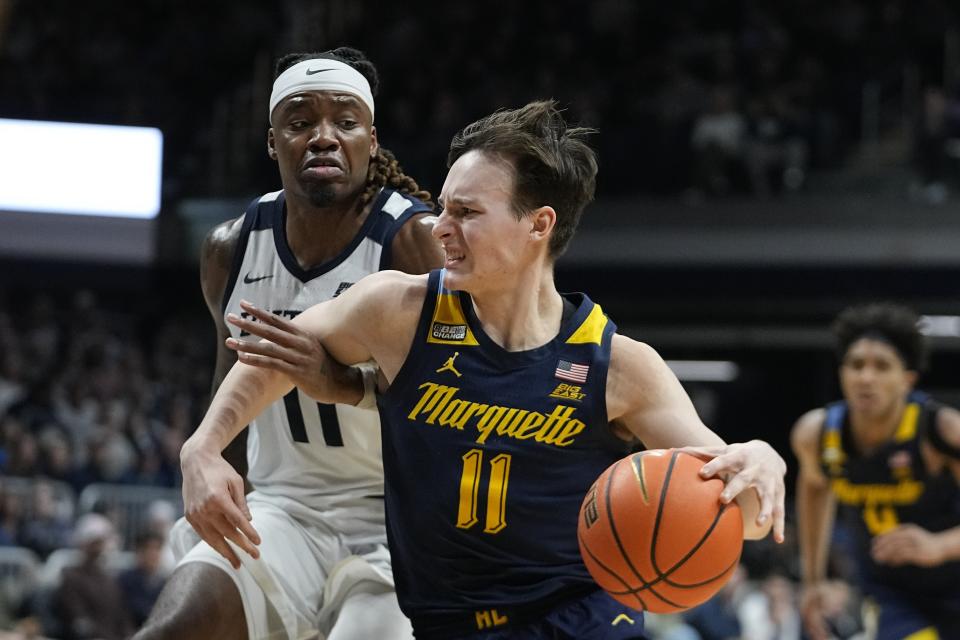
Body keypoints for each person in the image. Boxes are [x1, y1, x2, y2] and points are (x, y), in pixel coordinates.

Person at [182, 100, 786, 639]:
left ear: (538, 225)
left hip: (576, 619)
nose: (440, 227)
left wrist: (762, 459)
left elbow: (742, 512)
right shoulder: (397, 309)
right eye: (444, 208)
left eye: (466, 212)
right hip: (445, 623)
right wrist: (204, 447)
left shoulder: (619, 366)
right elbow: (275, 354)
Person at [135, 47, 442, 640]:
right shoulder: (231, 246)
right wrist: (211, 471)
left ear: (371, 140)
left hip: (399, 517)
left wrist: (340, 384)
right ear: (274, 142)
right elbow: (231, 387)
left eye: (345, 122)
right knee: (174, 627)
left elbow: (463, 402)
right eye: (301, 123)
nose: (324, 137)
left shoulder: (414, 242)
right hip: (281, 509)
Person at [791, 303, 960, 640]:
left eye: (882, 366)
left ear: (907, 379)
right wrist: (813, 580)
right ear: (842, 373)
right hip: (890, 590)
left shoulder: (941, 431)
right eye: (856, 365)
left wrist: (939, 546)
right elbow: (814, 490)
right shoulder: (817, 435)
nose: (866, 377)